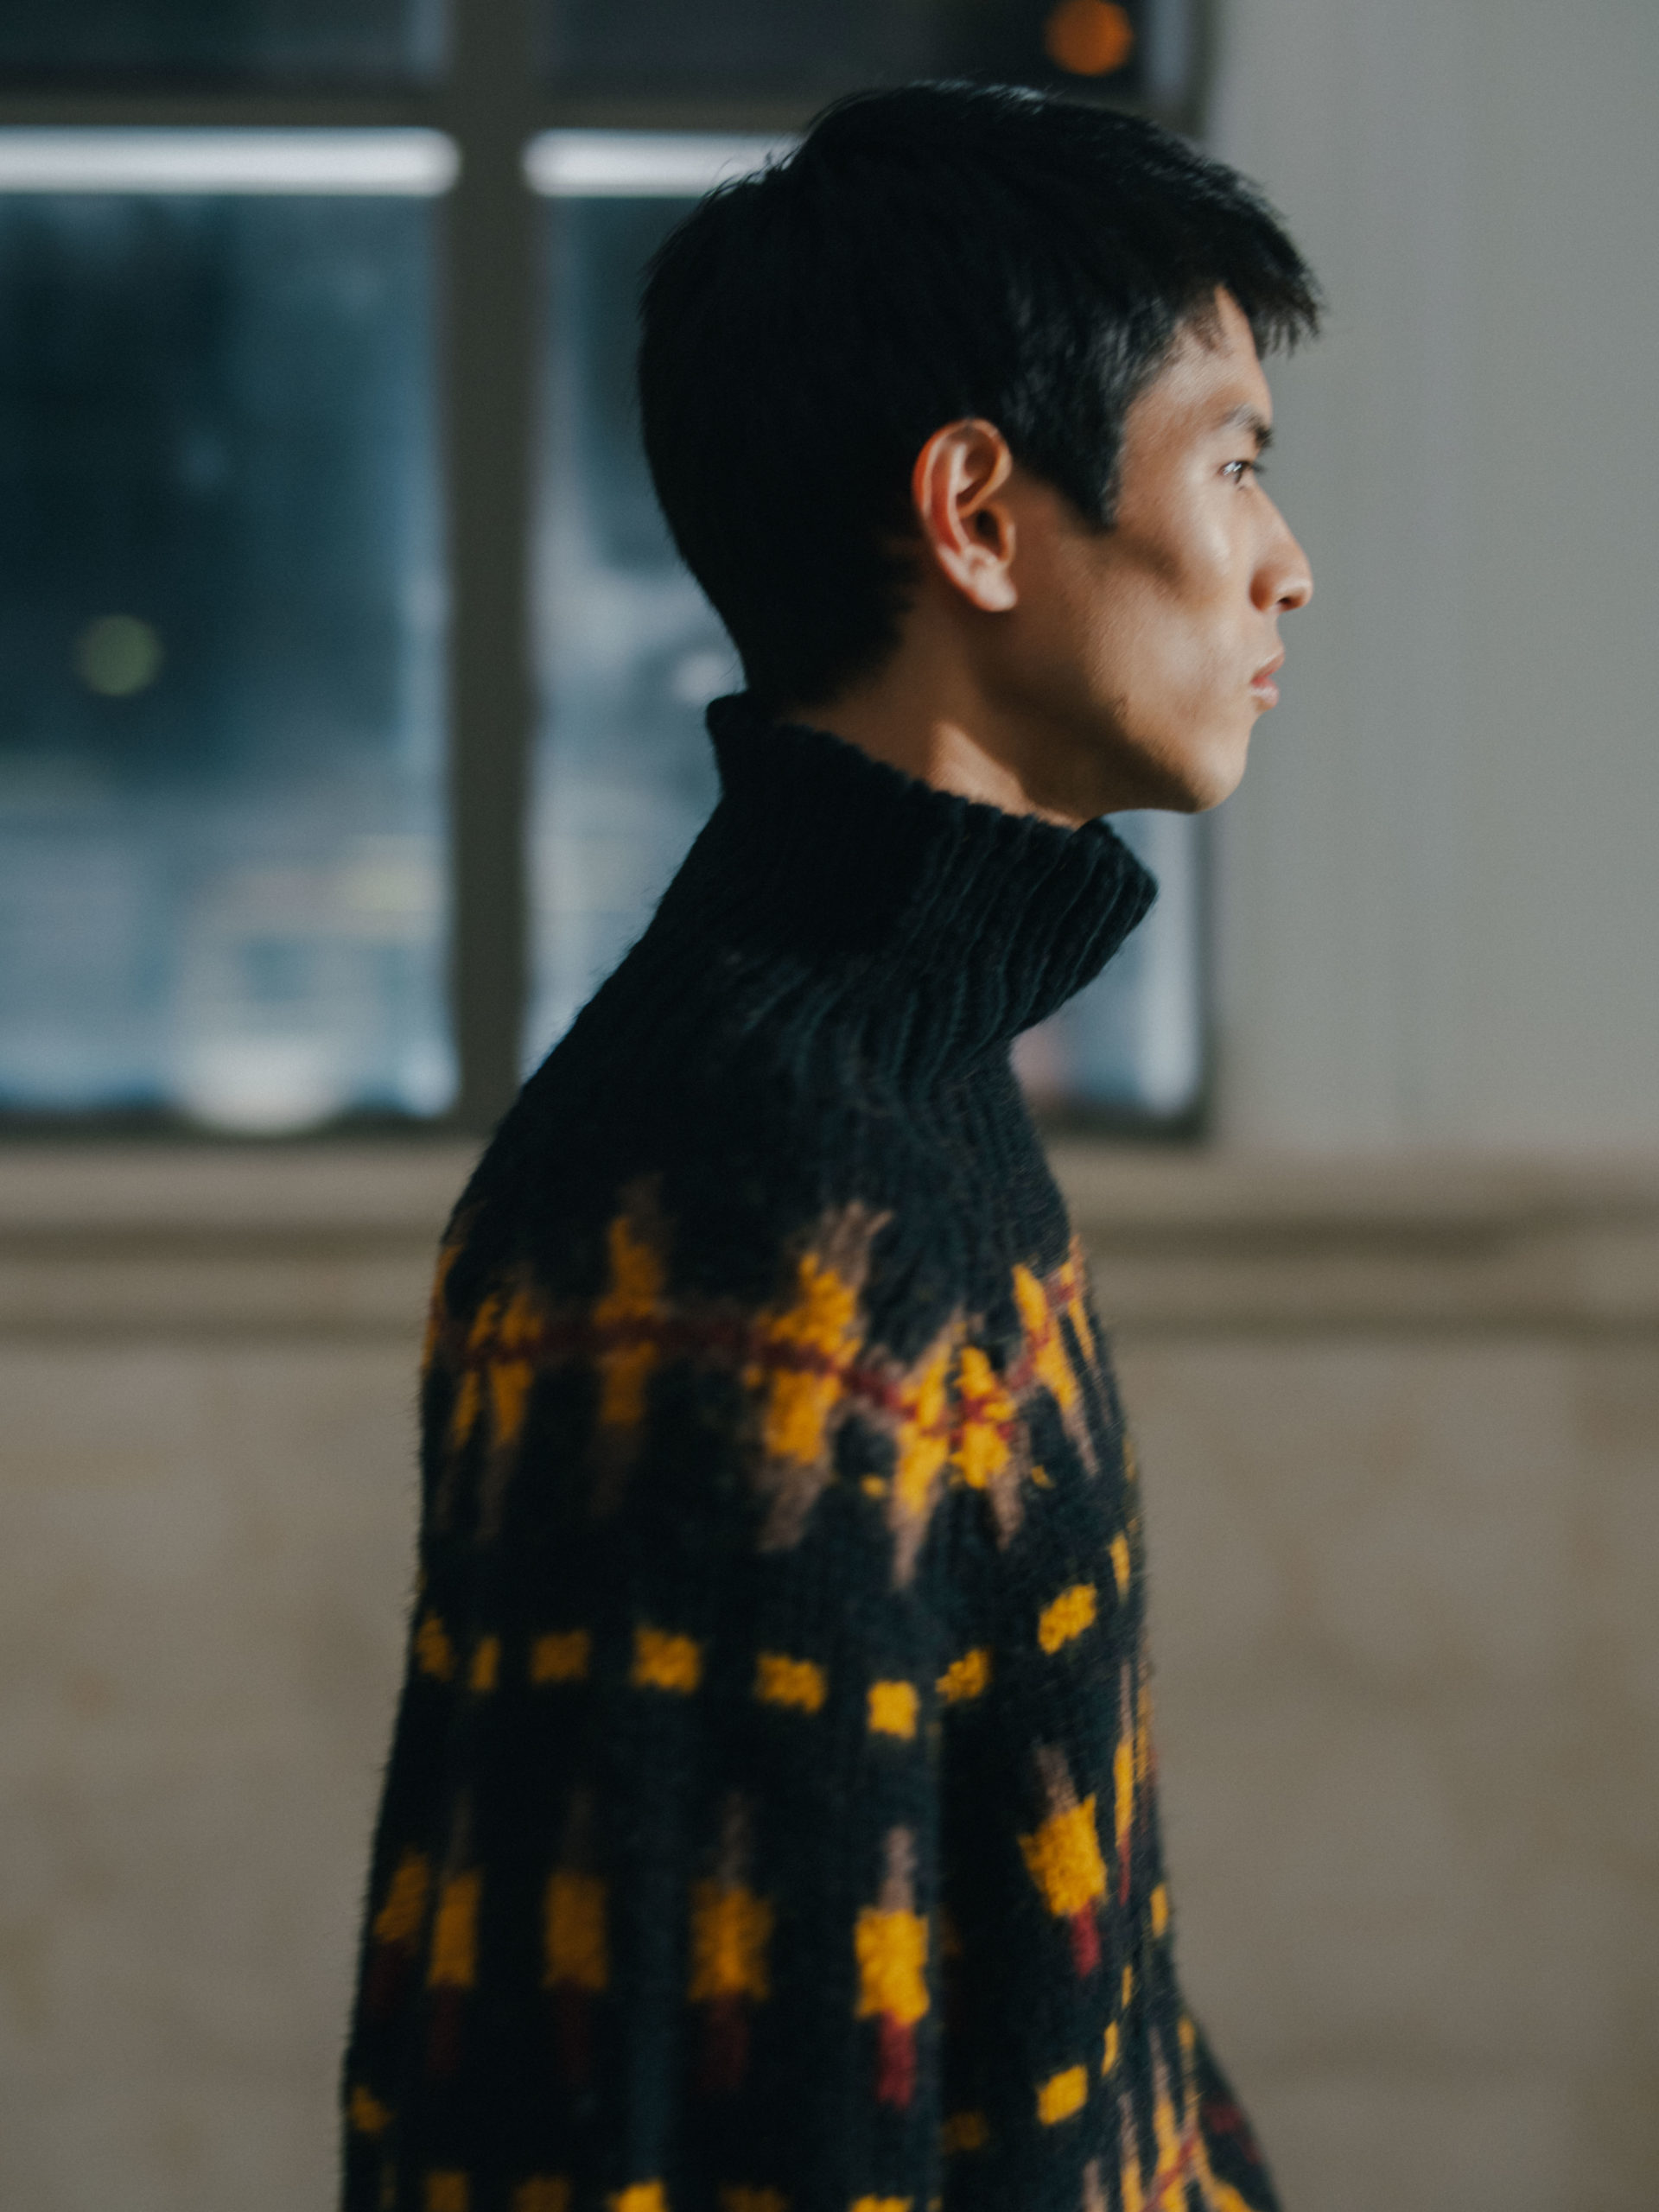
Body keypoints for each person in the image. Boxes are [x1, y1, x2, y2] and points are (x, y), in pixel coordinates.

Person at [341, 80, 1316, 2212]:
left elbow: (1088, 1990)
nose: (1286, 564)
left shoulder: (905, 1085)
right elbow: (671, 2136)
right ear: (978, 512)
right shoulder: (745, 1204)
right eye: (1235, 460)